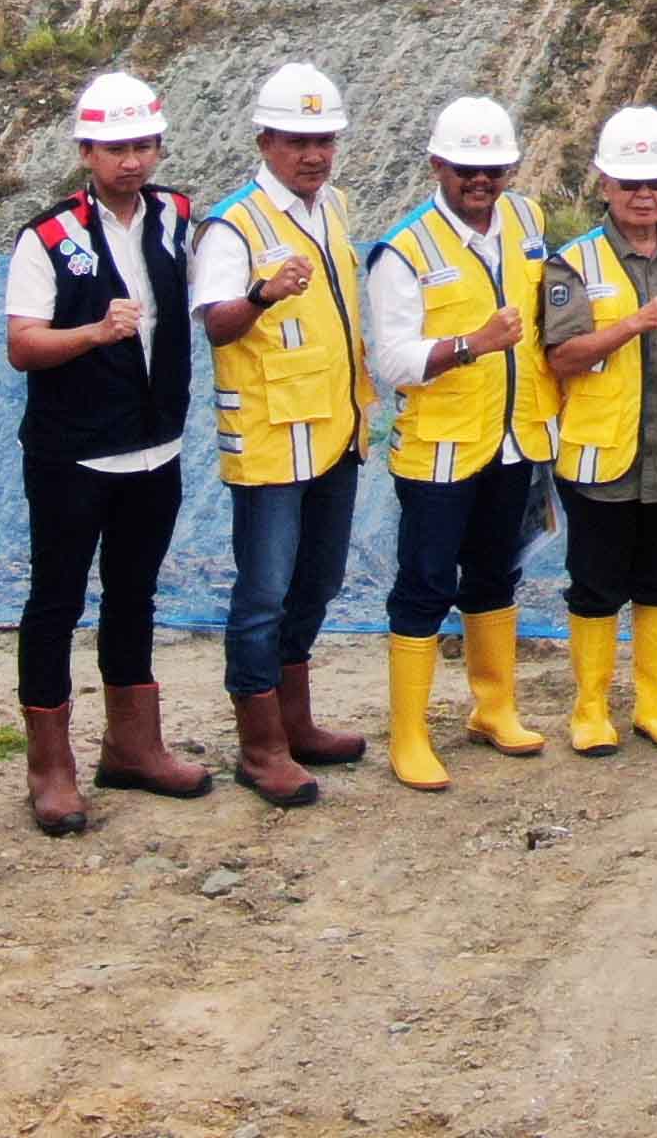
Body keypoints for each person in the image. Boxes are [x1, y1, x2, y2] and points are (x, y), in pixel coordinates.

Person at [1, 68, 210, 835]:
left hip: (156, 447)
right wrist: (93, 332)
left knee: (135, 595)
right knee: (55, 603)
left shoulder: (177, 216)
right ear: (87, 151)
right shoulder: (47, 236)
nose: (133, 160)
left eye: (144, 144)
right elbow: (22, 346)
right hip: (73, 456)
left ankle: (133, 743)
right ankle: (49, 767)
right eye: (116, 147)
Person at [365, 96, 558, 789]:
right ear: (437, 164)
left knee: (496, 573)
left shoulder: (528, 222)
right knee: (423, 586)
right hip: (441, 451)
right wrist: (472, 346)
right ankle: (410, 735)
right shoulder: (405, 248)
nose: (481, 181)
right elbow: (390, 361)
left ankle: (493, 708)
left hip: (513, 441)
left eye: (495, 168)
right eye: (467, 168)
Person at [194, 60, 374, 805]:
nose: (313, 154)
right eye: (297, 140)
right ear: (265, 141)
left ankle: (295, 721)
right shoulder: (233, 224)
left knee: (318, 582)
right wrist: (262, 295)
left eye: (324, 140)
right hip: (272, 441)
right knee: (264, 591)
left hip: (333, 433)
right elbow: (216, 323)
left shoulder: (331, 209)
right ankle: (259, 743)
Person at [545, 104, 657, 757]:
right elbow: (561, 358)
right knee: (595, 584)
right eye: (630, 183)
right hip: (601, 455)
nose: (644, 195)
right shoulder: (573, 264)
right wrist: (630, 325)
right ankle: (591, 709)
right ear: (604, 184)